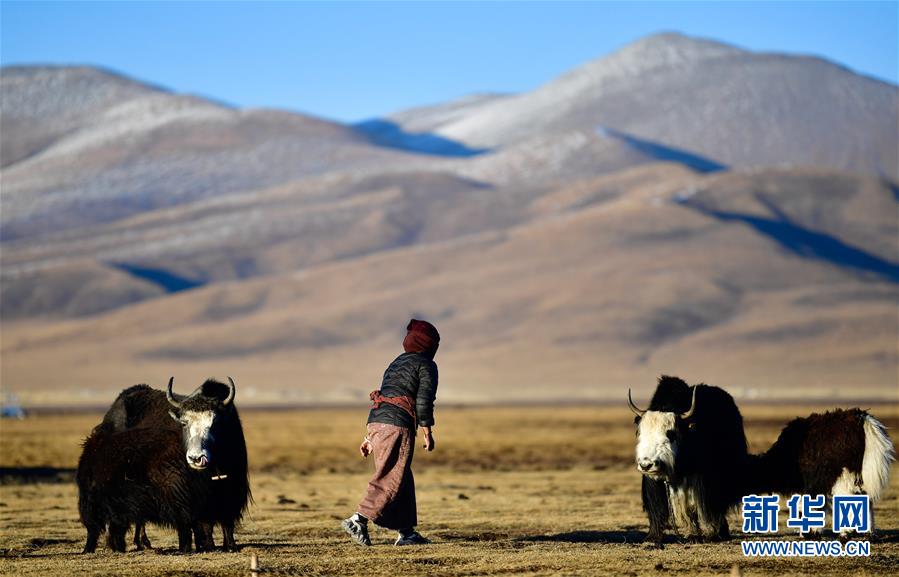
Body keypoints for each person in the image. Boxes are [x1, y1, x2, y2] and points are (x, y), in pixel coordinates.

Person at [341, 319, 440, 546]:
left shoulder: (396, 362)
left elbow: (386, 396)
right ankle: (359, 519)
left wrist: (369, 438)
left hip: (376, 422)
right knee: (390, 476)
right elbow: (424, 400)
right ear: (429, 345)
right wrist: (427, 431)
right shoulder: (426, 365)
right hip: (397, 425)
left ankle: (407, 533)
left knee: (401, 476)